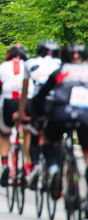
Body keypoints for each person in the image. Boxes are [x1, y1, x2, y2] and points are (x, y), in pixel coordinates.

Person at [31, 42, 88, 197]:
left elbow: (39, 97)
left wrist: (40, 117)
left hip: (60, 113)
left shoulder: (60, 72)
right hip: (85, 115)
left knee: (49, 141)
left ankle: (54, 168)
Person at [0, 43, 30, 188]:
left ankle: (5, 164)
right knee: (29, 132)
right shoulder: (30, 66)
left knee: (4, 134)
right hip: (28, 101)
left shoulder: (1, 68)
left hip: (9, 103)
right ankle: (28, 167)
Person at [24, 39, 62, 185]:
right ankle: (55, 168)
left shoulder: (30, 63)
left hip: (38, 100)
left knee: (35, 135)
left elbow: (25, 91)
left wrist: (22, 113)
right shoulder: (61, 65)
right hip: (58, 102)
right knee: (55, 137)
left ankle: (34, 166)